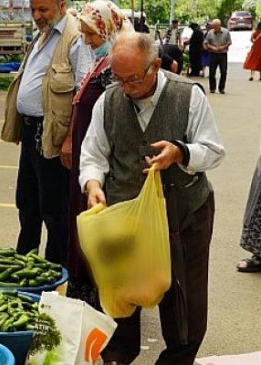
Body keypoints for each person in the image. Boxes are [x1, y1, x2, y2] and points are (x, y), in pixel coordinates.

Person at [79, 32, 225, 365]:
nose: (126, 87)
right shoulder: (109, 99)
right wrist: (92, 184)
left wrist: (181, 152)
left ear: (155, 66)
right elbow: (93, 153)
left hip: (183, 212)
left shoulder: (188, 96)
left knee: (182, 299)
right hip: (126, 215)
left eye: (133, 79)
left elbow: (214, 150)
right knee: (122, 291)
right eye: (119, 78)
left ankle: (177, 357)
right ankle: (117, 356)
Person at [1, 0, 93, 265]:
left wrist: (68, 140)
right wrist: (20, 125)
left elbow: (81, 93)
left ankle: (55, 269)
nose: (37, 16)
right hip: (32, 133)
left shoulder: (74, 39)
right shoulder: (41, 36)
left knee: (54, 209)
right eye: (33, 10)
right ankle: (25, 262)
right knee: (27, 202)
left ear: (61, 5)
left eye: (43, 9)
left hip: (53, 135)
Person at [60, 0, 131, 309]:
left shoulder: (117, 69)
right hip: (86, 157)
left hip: (103, 162)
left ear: (108, 29)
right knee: (83, 220)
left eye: (91, 34)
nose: (87, 41)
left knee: (99, 226)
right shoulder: (100, 63)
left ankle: (100, 290)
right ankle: (86, 284)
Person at [203, 18, 231, 93]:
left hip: (223, 54)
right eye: (213, 27)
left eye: (216, 27)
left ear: (220, 26)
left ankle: (221, 88)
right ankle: (212, 88)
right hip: (213, 54)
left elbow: (229, 42)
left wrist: (223, 47)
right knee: (212, 72)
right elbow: (206, 42)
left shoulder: (226, 32)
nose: (215, 28)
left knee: (224, 72)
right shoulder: (210, 33)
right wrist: (212, 47)